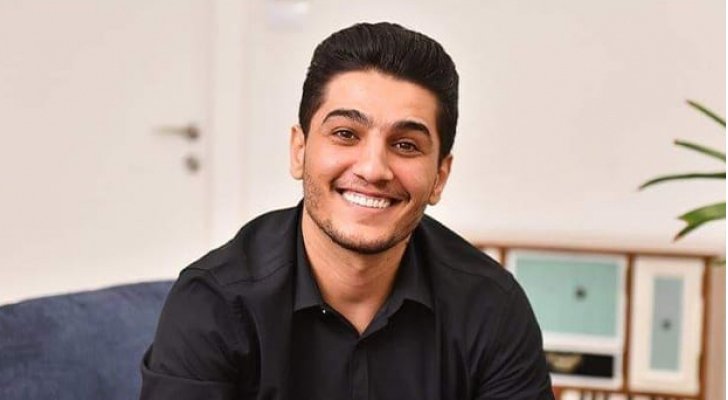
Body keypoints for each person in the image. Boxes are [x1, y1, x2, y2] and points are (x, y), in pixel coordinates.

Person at [140, 22, 553, 400]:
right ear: (299, 150)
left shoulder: (491, 307)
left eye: (406, 145)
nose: (373, 169)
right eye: (345, 134)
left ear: (439, 177)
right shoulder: (213, 303)